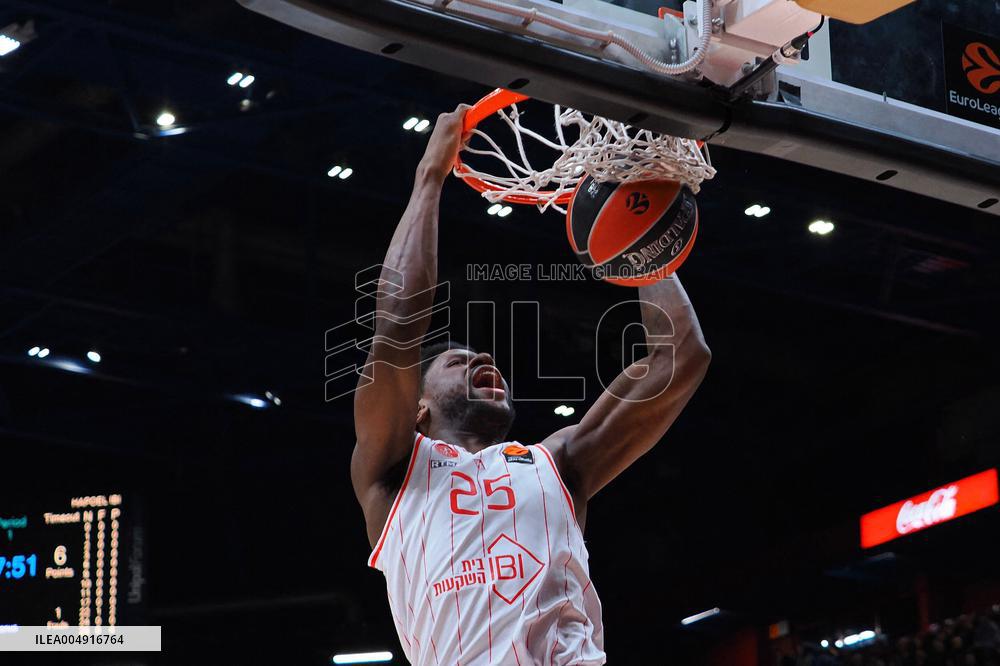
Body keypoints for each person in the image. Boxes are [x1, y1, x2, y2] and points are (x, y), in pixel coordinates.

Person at [351, 105, 712, 665]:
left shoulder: (559, 460)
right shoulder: (391, 475)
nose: (483, 358)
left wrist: (642, 248)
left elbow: (680, 359)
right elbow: (397, 329)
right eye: (455, 361)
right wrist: (429, 177)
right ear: (417, 408)